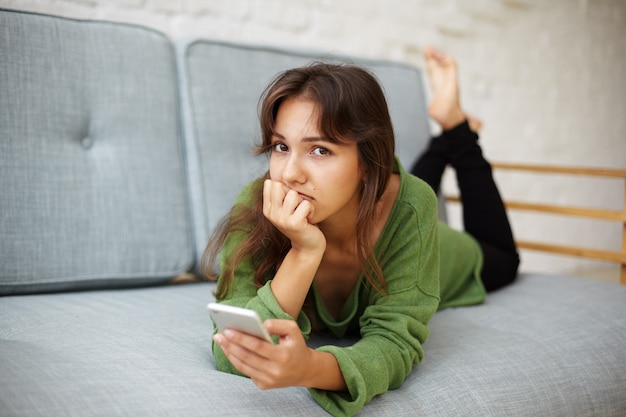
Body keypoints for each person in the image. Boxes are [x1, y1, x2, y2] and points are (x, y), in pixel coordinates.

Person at [203, 46, 519, 417]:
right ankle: (447, 133)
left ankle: (457, 131)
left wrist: (312, 368)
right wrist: (302, 252)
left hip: (449, 253)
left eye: (320, 150)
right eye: (281, 146)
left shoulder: (411, 209)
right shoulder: (256, 205)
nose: (289, 174)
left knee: (500, 256)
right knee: (394, 190)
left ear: (368, 160)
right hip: (367, 197)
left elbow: (395, 342)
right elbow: (231, 350)